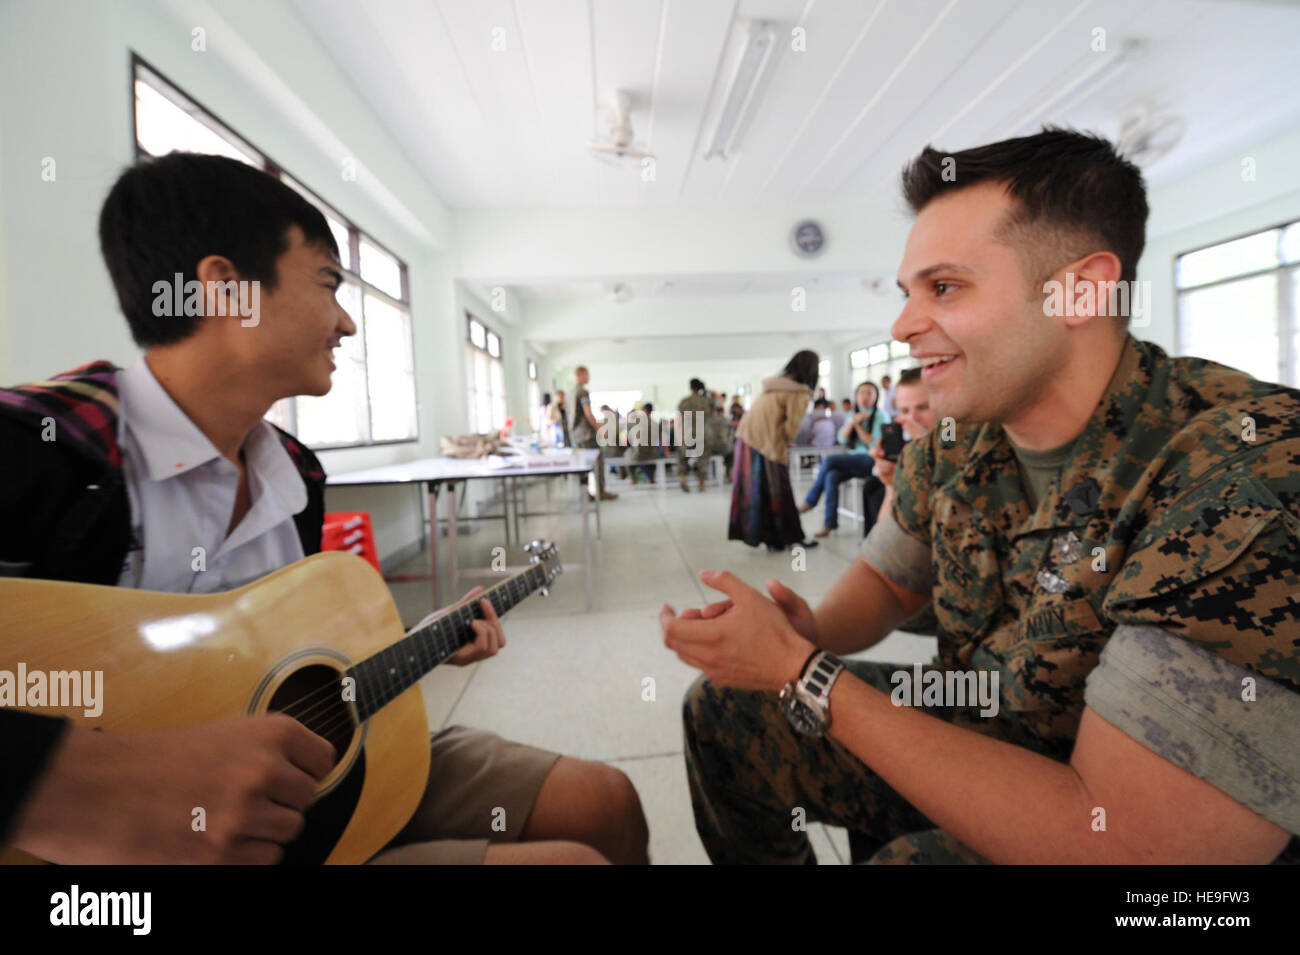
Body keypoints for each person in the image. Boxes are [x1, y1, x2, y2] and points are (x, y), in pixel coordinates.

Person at [660, 127, 1300, 865]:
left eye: (945, 287)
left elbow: (1132, 845)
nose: (902, 325)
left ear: (1082, 290)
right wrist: (810, 632)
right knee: (725, 711)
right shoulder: (960, 442)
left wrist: (806, 673)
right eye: (908, 293)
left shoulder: (1247, 467)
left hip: (1144, 844)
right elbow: (889, 576)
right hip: (991, 716)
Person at [0, 153, 648, 866]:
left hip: (322, 784)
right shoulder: (37, 451)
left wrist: (416, 639)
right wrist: (82, 786)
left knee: (605, 802)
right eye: (328, 284)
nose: (346, 322)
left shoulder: (296, 472)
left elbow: (278, 670)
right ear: (223, 289)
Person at [729, 350, 820, 552]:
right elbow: (792, 425)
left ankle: (772, 539)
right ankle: (793, 537)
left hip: (746, 440)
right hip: (767, 443)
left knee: (758, 491)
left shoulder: (773, 386)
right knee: (781, 491)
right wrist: (788, 440)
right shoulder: (799, 392)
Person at [798, 381, 890, 537]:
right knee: (831, 476)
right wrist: (853, 422)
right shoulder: (852, 415)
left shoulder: (882, 416)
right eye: (861, 393)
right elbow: (842, 439)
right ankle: (830, 524)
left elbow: (874, 443)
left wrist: (858, 426)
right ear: (856, 396)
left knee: (829, 461)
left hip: (872, 459)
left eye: (869, 393)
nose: (865, 396)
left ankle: (811, 501)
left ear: (876, 396)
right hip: (855, 459)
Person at [868, 367, 938, 525]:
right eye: (904, 410)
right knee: (873, 487)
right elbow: (884, 543)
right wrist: (892, 485)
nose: (912, 418)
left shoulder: (954, 439)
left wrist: (922, 445)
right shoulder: (907, 447)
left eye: (923, 407)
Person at [569, 366, 617, 501]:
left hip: (576, 435)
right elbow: (588, 414)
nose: (588, 378)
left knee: (582, 464)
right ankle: (600, 491)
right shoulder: (583, 392)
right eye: (587, 375)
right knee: (598, 462)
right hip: (587, 435)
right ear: (581, 374)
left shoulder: (570, 393)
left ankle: (585, 493)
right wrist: (600, 429)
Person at [677, 378, 712, 493]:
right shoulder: (707, 400)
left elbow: (680, 416)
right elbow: (715, 410)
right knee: (703, 459)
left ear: (691, 388)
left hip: (687, 433)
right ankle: (701, 485)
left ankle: (683, 479)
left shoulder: (684, 401)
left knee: (683, 458)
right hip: (703, 433)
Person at [627, 402, 660, 484]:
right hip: (652, 454)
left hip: (638, 454)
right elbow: (659, 439)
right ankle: (652, 478)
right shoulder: (655, 424)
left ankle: (633, 480)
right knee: (653, 453)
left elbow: (629, 439)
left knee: (627, 456)